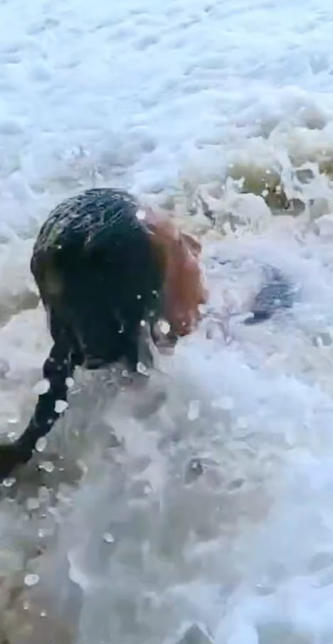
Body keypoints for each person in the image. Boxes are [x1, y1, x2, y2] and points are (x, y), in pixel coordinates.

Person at [0, 188, 208, 479]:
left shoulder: (84, 405)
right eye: (180, 247)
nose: (197, 245)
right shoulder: (193, 403)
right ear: (151, 303)